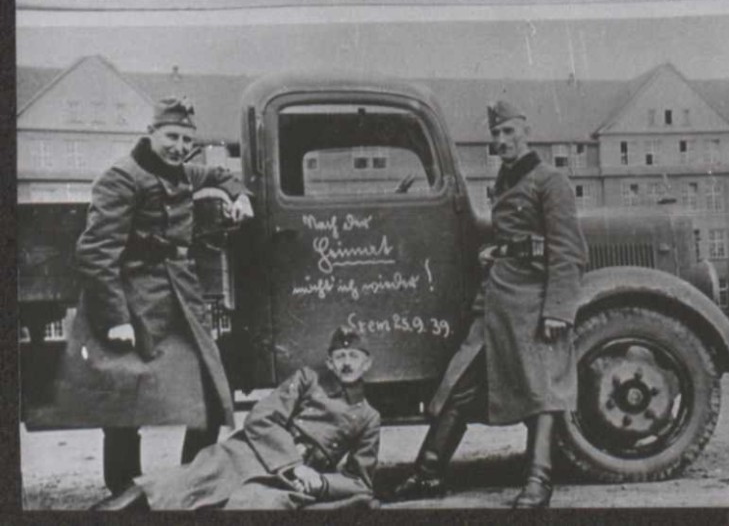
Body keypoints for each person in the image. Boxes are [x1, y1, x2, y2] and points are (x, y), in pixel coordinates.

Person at [41, 96, 254, 496]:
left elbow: (218, 174)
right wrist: (116, 319)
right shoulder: (122, 177)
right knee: (126, 402)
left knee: (210, 394)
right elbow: (96, 253)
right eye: (171, 136)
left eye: (186, 139)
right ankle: (125, 491)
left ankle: (191, 483)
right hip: (133, 304)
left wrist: (237, 194)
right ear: (151, 133)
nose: (179, 147)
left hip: (179, 301)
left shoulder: (183, 171)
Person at [391, 100, 588, 508]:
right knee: (460, 384)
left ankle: (538, 482)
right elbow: (517, 236)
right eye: (496, 134)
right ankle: (428, 474)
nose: (502, 140)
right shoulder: (505, 182)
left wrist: (558, 310)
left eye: (509, 132)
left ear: (527, 132)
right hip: (497, 302)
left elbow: (568, 251)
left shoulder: (550, 181)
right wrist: (496, 252)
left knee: (541, 392)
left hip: (533, 302)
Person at [92, 327, 380, 511]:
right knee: (178, 483)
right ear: (330, 362)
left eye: (353, 357)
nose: (346, 363)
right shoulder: (308, 379)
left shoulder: (369, 418)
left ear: (366, 364)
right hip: (250, 452)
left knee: (251, 505)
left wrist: (320, 483)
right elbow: (262, 418)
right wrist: (293, 463)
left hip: (293, 482)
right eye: (340, 356)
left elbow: (359, 481)